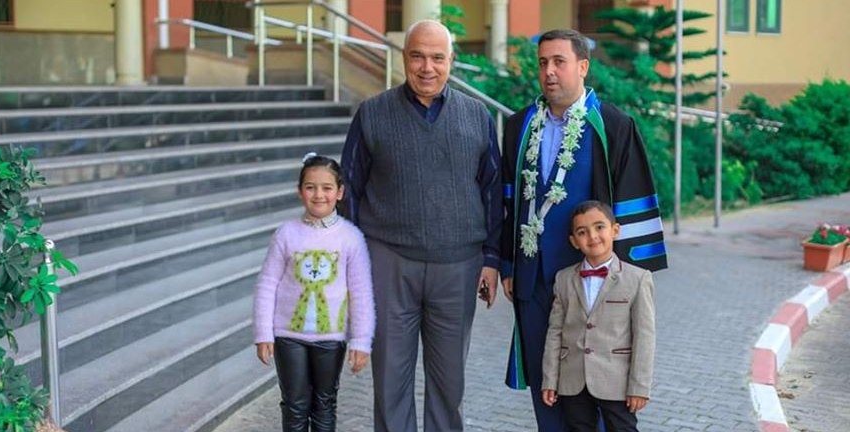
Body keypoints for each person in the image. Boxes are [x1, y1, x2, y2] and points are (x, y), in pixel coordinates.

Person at [500, 29, 667, 431]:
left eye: (559, 62)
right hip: (535, 279)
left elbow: (631, 198)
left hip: (593, 283)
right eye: (543, 63)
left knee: (601, 383)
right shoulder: (519, 126)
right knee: (546, 382)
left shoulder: (613, 125)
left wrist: (625, 280)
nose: (549, 72)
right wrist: (506, 262)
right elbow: (508, 200)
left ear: (583, 67)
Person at [340, 19, 503, 432]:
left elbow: (492, 191)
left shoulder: (477, 116)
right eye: (417, 56)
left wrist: (491, 259)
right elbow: (350, 190)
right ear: (403, 58)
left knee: (449, 383)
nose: (427, 67)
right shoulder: (372, 113)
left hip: (459, 265)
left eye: (437, 57)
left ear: (451, 61)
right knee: (390, 377)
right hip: (388, 261)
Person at [253, 153, 375, 432]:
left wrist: (361, 341)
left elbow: (361, 292)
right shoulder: (286, 234)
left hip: (330, 338)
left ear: (340, 192)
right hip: (288, 337)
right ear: (300, 191)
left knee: (325, 403)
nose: (319, 195)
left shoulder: (351, 237)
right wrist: (263, 333)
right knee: (294, 404)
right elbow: (267, 283)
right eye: (310, 187)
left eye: (327, 188)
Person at [541, 200, 655, 432]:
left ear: (615, 230)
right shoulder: (563, 279)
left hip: (616, 380)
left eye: (599, 227)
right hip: (573, 379)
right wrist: (550, 379)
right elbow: (555, 333)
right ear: (574, 241)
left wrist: (639, 386)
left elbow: (645, 337)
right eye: (582, 232)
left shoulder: (638, 279)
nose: (592, 236)